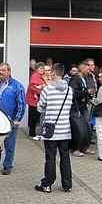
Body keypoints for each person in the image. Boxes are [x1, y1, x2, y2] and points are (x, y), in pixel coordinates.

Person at [34, 63, 73, 193]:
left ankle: (47, 184)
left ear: (54, 74)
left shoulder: (48, 89)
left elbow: (40, 107)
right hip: (65, 130)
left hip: (51, 130)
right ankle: (67, 184)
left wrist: (47, 107)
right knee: (65, 157)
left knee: (50, 157)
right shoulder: (69, 90)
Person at [68, 61, 94, 157]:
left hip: (84, 106)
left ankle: (84, 147)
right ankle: (75, 148)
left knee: (87, 127)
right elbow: (73, 93)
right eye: (87, 68)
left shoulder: (85, 78)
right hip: (76, 107)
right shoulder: (75, 79)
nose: (89, 70)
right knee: (77, 128)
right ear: (82, 69)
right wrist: (86, 92)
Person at [26, 62, 47, 139]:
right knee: (34, 117)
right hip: (33, 100)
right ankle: (32, 133)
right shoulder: (35, 76)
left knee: (34, 117)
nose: (43, 70)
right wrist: (40, 91)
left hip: (35, 100)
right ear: (38, 69)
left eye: (43, 69)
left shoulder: (39, 76)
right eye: (41, 68)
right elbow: (33, 86)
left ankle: (33, 132)